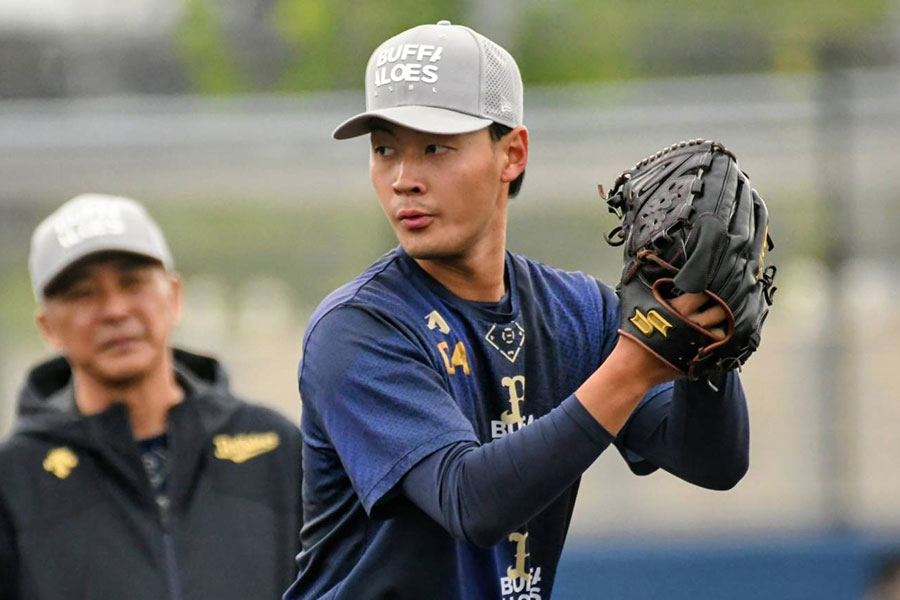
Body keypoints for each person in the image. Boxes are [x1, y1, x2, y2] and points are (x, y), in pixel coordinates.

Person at [285, 21, 749, 600]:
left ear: (512, 153)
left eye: (435, 147)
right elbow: (471, 502)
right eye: (385, 150)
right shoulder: (357, 328)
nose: (404, 179)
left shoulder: (577, 310)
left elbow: (713, 463)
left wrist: (707, 343)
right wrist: (634, 364)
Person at [0, 194, 303, 600]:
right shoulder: (15, 481)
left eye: (132, 283)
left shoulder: (276, 448)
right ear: (48, 327)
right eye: (83, 293)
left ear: (174, 296)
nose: (114, 310)